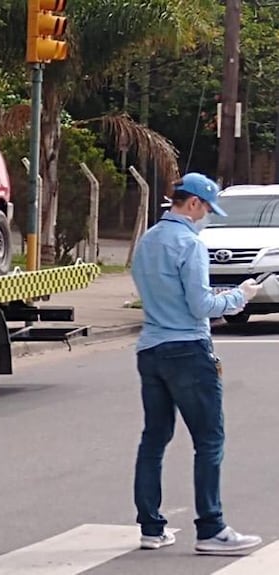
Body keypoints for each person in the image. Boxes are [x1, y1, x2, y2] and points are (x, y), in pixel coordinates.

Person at [130, 172, 262, 555]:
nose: (207, 215)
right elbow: (201, 306)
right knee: (209, 440)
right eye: (207, 208)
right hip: (187, 348)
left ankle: (151, 527)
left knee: (154, 438)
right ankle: (211, 528)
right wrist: (240, 296)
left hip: (150, 347)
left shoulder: (148, 241)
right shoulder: (190, 243)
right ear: (193, 204)